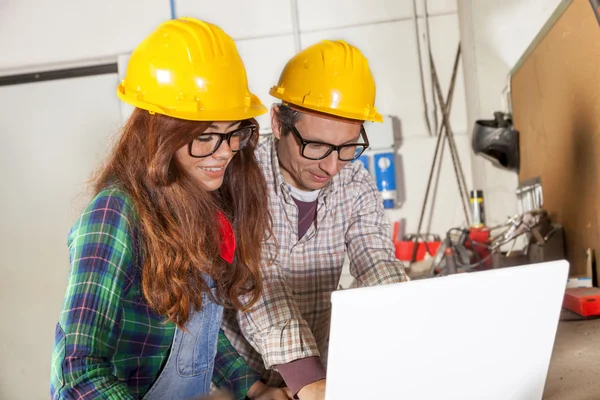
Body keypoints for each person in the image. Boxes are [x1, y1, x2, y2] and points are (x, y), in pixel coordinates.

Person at [50, 18, 290, 400]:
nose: (226, 151)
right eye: (205, 137)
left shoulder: (198, 205)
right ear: (159, 135)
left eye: (233, 133)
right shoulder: (115, 215)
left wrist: (255, 388)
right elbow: (77, 371)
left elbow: (194, 333)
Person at [222, 40, 410, 399]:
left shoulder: (355, 182)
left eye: (347, 147)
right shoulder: (238, 179)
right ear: (278, 123)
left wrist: (400, 313)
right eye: (317, 147)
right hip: (242, 381)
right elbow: (257, 284)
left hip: (317, 376)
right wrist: (306, 377)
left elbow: (377, 262)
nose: (331, 165)